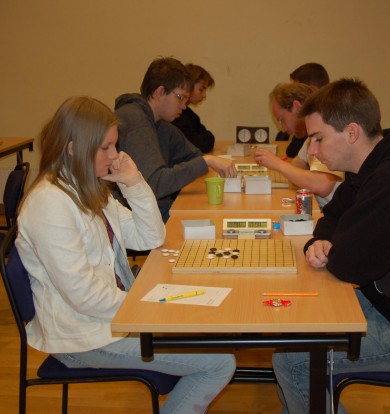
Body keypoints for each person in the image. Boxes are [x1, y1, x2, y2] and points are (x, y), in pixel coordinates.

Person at [15, 96, 236, 414]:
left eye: (115, 145)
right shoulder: (50, 204)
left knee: (203, 314)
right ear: (73, 148)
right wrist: (147, 308)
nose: (115, 155)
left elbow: (151, 237)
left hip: (112, 319)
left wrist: (134, 182)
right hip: (85, 336)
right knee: (219, 363)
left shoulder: (88, 188)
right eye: (105, 147)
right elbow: (83, 296)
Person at [272, 79, 390, 414]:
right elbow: (332, 215)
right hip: (387, 302)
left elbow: (350, 266)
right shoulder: (368, 167)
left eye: (318, 139)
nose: (312, 151)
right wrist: (321, 241)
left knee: (294, 361)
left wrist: (330, 246)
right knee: (296, 328)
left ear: (351, 133)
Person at [115, 57, 236, 222]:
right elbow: (154, 185)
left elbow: (194, 156)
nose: (184, 106)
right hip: (135, 217)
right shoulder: (135, 121)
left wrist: (204, 161)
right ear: (160, 92)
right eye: (180, 97)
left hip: (156, 208)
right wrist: (206, 161)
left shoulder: (161, 124)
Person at [255, 82, 342, 209]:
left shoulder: (327, 133)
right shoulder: (310, 138)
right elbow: (298, 162)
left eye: (281, 120)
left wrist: (277, 164)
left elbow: (322, 186)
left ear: (296, 107)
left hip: (330, 211)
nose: (283, 129)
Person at [276, 63, 330, 158]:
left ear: (311, 89)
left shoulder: (329, 121)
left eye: (297, 90)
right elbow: (293, 153)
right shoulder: (310, 121)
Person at [172, 64, 216, 153]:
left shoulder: (190, 114)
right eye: (201, 90)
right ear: (189, 85)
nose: (204, 96)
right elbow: (198, 145)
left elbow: (208, 137)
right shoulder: (174, 115)